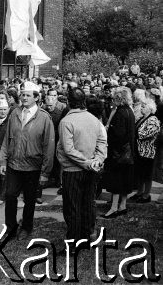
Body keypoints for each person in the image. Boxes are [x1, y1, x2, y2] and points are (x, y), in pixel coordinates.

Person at [0, 81, 55, 240]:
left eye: (28, 95)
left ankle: (26, 227)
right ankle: (10, 228)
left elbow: (49, 147)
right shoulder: (14, 113)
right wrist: (2, 161)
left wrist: (45, 172)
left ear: (36, 98)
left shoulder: (44, 118)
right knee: (10, 196)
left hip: (33, 167)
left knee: (29, 199)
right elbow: (6, 140)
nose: (23, 97)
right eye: (22, 94)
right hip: (14, 165)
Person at [56, 88, 107, 244]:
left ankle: (74, 242)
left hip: (74, 171)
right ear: (83, 101)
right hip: (91, 169)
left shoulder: (66, 121)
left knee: (73, 207)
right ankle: (87, 235)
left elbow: (69, 150)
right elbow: (102, 142)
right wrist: (96, 161)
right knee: (87, 203)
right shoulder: (94, 119)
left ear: (69, 102)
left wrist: (89, 163)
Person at [102, 87, 136, 218]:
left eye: (115, 97)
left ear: (118, 98)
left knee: (116, 180)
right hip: (128, 153)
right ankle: (122, 205)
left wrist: (109, 130)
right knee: (125, 180)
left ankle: (114, 208)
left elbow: (119, 135)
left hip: (119, 153)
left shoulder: (121, 112)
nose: (113, 100)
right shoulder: (129, 111)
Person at [131, 98, 160, 203]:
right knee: (140, 173)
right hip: (140, 151)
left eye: (143, 106)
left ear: (150, 108)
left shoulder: (153, 119)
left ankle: (146, 195)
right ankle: (139, 192)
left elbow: (145, 133)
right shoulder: (142, 118)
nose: (141, 108)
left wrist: (134, 134)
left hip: (148, 151)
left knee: (147, 175)